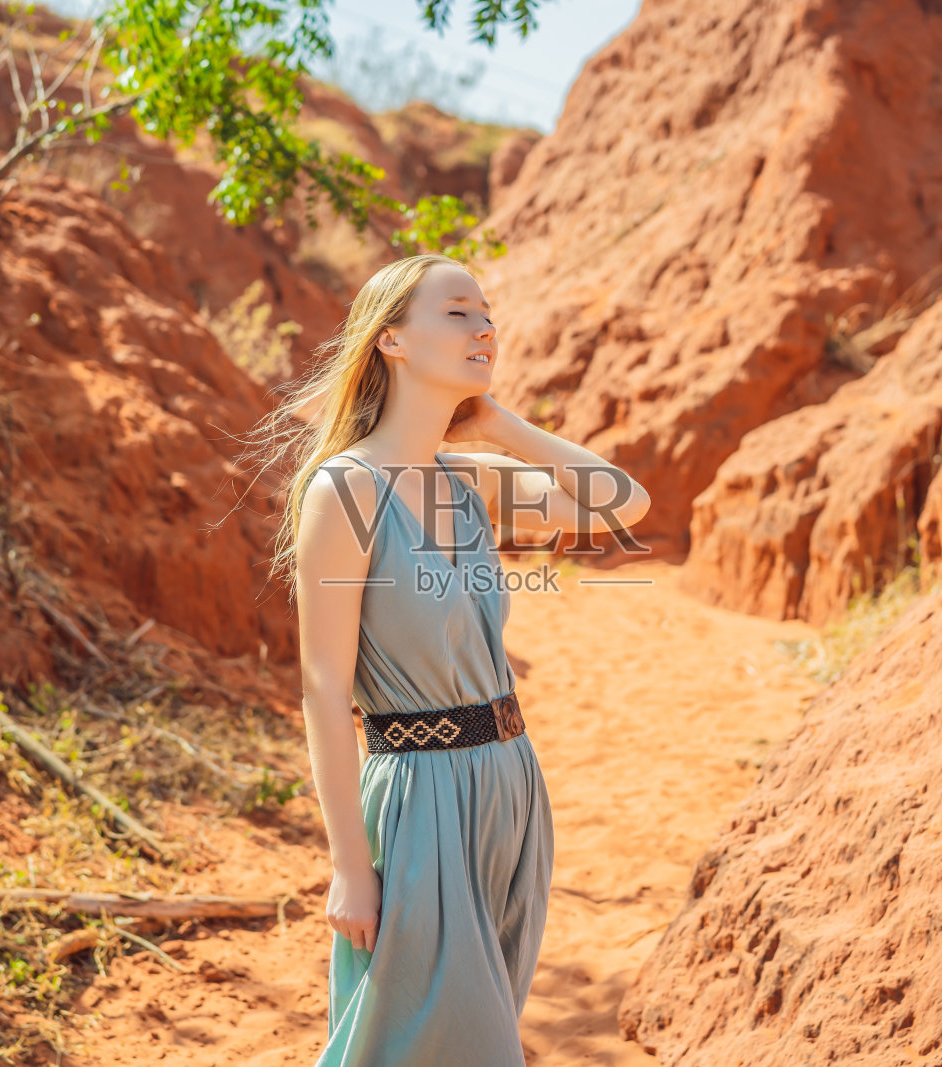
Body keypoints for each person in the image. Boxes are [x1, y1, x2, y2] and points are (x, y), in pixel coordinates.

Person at [252, 253, 650, 1066]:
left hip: (510, 790)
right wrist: (349, 869)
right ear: (391, 340)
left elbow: (625, 503)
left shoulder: (467, 478)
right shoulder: (346, 488)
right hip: (420, 796)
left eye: (487, 311)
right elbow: (325, 692)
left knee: (476, 1032)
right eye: (458, 312)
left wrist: (499, 424)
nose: (484, 327)